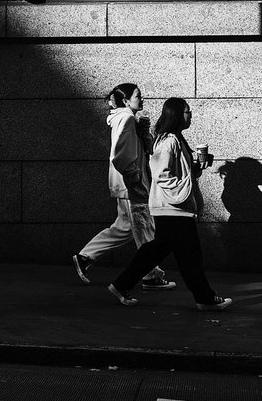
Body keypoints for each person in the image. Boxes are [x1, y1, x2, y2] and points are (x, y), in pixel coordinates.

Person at [107, 97, 232, 311]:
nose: (189, 115)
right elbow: (161, 174)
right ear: (175, 115)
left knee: (157, 250)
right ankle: (205, 298)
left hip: (172, 207)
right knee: (189, 255)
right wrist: (183, 191)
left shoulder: (176, 139)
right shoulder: (168, 141)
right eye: (186, 112)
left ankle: (121, 284)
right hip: (173, 207)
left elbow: (176, 171)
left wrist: (195, 168)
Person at [72, 83, 175, 291]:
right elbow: (119, 154)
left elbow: (140, 148)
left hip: (127, 184)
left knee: (125, 228)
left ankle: (84, 257)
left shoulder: (127, 119)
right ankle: (151, 275)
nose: (142, 98)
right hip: (131, 185)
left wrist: (143, 132)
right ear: (126, 101)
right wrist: (133, 177)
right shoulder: (126, 118)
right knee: (145, 227)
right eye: (138, 95)